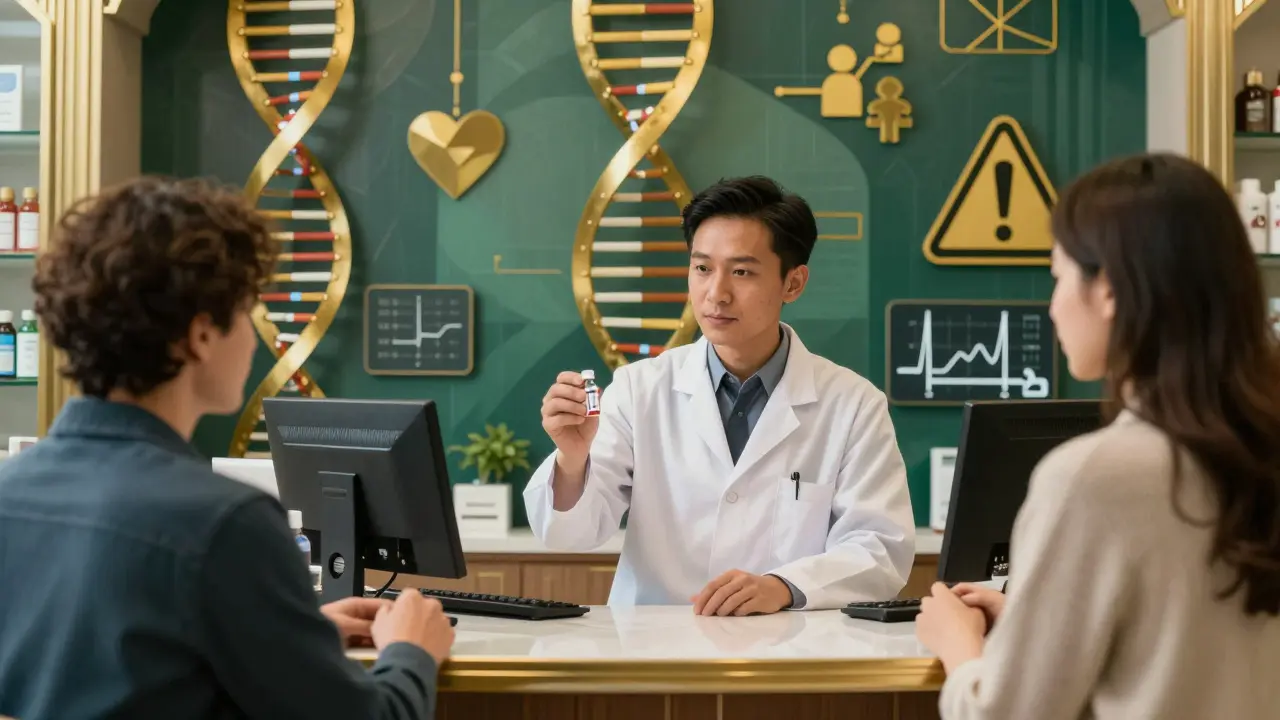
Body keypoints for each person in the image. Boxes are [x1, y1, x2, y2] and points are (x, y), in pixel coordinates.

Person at [0, 177, 455, 719]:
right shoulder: (226, 524)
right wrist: (411, 652)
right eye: (246, 311)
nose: (251, 336)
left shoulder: (10, 492)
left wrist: (286, 636)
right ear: (201, 336)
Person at [915, 153, 1280, 718]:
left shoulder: (1094, 475)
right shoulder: (1257, 445)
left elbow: (1008, 714)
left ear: (1107, 289)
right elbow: (1192, 639)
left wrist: (958, 645)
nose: (1053, 305)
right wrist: (1033, 618)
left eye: (1058, 275)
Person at [526, 175, 915, 615]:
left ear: (793, 283)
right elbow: (570, 536)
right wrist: (572, 460)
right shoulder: (639, 390)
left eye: (743, 271)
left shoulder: (853, 404)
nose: (716, 294)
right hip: (654, 654)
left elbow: (880, 549)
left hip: (789, 653)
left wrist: (785, 586)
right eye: (702, 268)